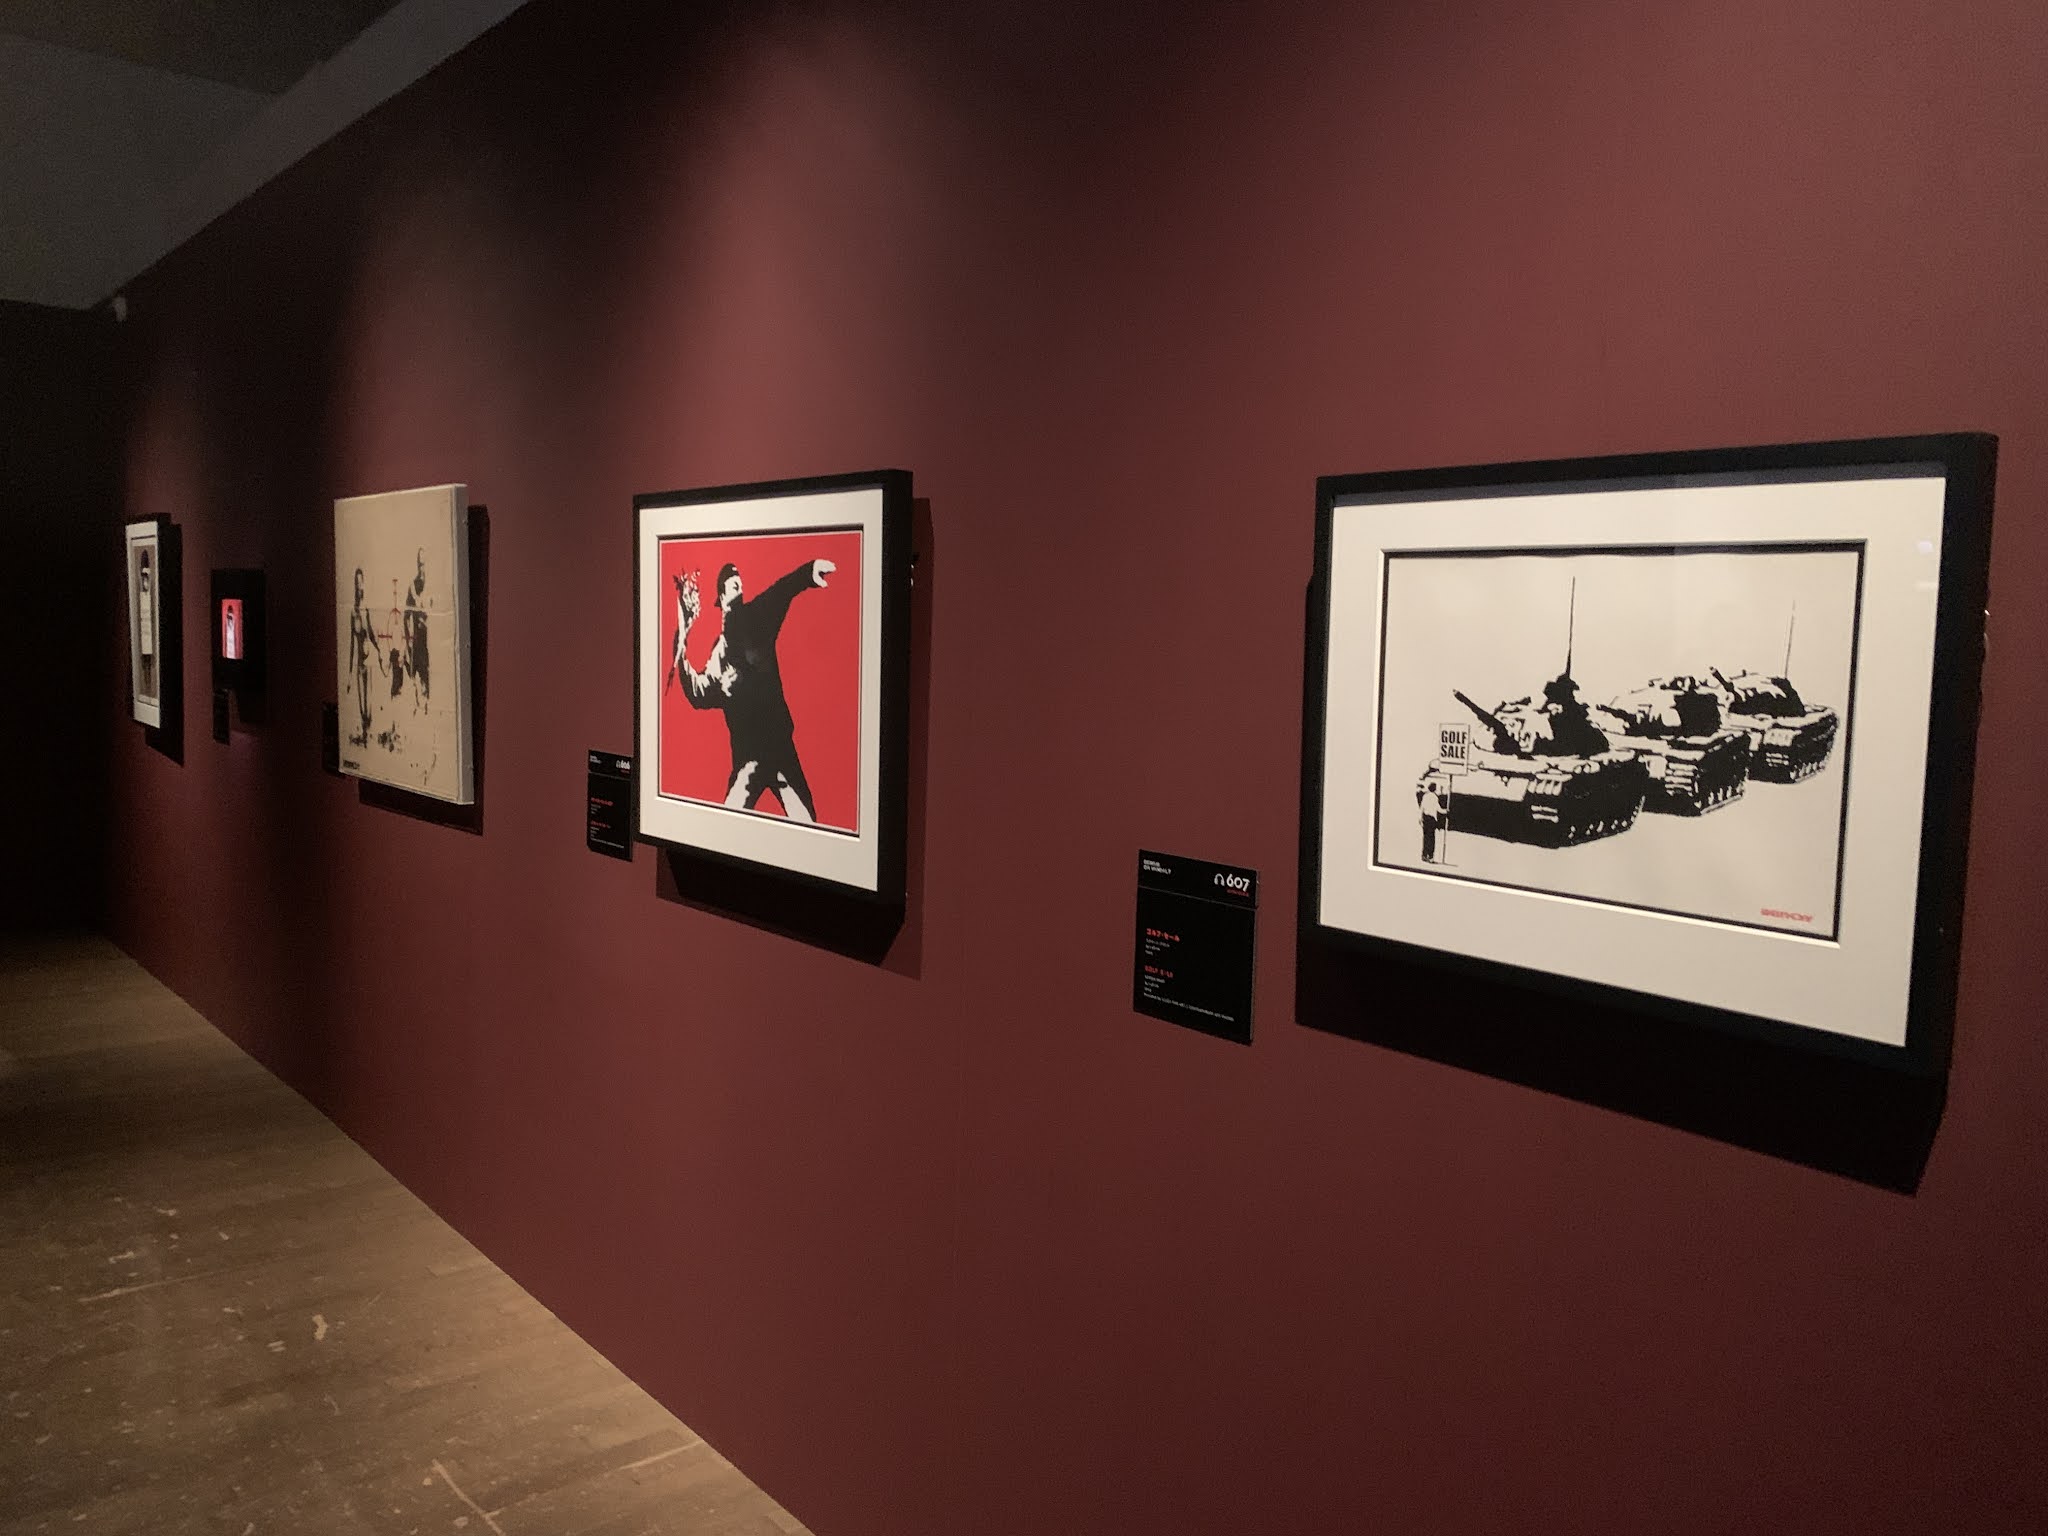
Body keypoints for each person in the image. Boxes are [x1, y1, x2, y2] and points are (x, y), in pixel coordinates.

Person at [669, 556, 836, 821]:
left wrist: (808, 572)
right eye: (731, 584)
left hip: (780, 749)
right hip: (747, 758)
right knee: (729, 822)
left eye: (739, 583)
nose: (738, 585)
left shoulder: (757, 618)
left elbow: (781, 591)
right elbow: (699, 693)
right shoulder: (719, 654)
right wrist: (681, 647)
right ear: (722, 599)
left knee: (807, 824)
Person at [346, 568, 386, 746]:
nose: (359, 586)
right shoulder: (353, 612)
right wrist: (349, 675)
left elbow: (371, 634)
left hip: (369, 661)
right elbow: (351, 645)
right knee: (361, 702)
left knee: (368, 702)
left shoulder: (366, 610)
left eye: (361, 582)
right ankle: (364, 736)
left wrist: (380, 652)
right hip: (359, 663)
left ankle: (368, 735)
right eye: (357, 582)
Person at [402, 549, 430, 710]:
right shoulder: (413, 586)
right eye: (420, 563)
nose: (422, 567)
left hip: (431, 641)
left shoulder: (434, 585)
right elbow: (406, 615)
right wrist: (409, 639)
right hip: (418, 641)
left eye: (424, 563)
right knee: (418, 674)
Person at [1419, 774, 1449, 864]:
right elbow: (1438, 809)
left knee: (1425, 837)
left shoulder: (1425, 796)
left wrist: (1420, 818)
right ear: (1434, 789)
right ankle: (1430, 856)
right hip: (1432, 819)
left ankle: (1424, 855)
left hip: (1425, 817)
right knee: (1431, 838)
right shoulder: (1435, 797)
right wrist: (1446, 811)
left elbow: (1422, 807)